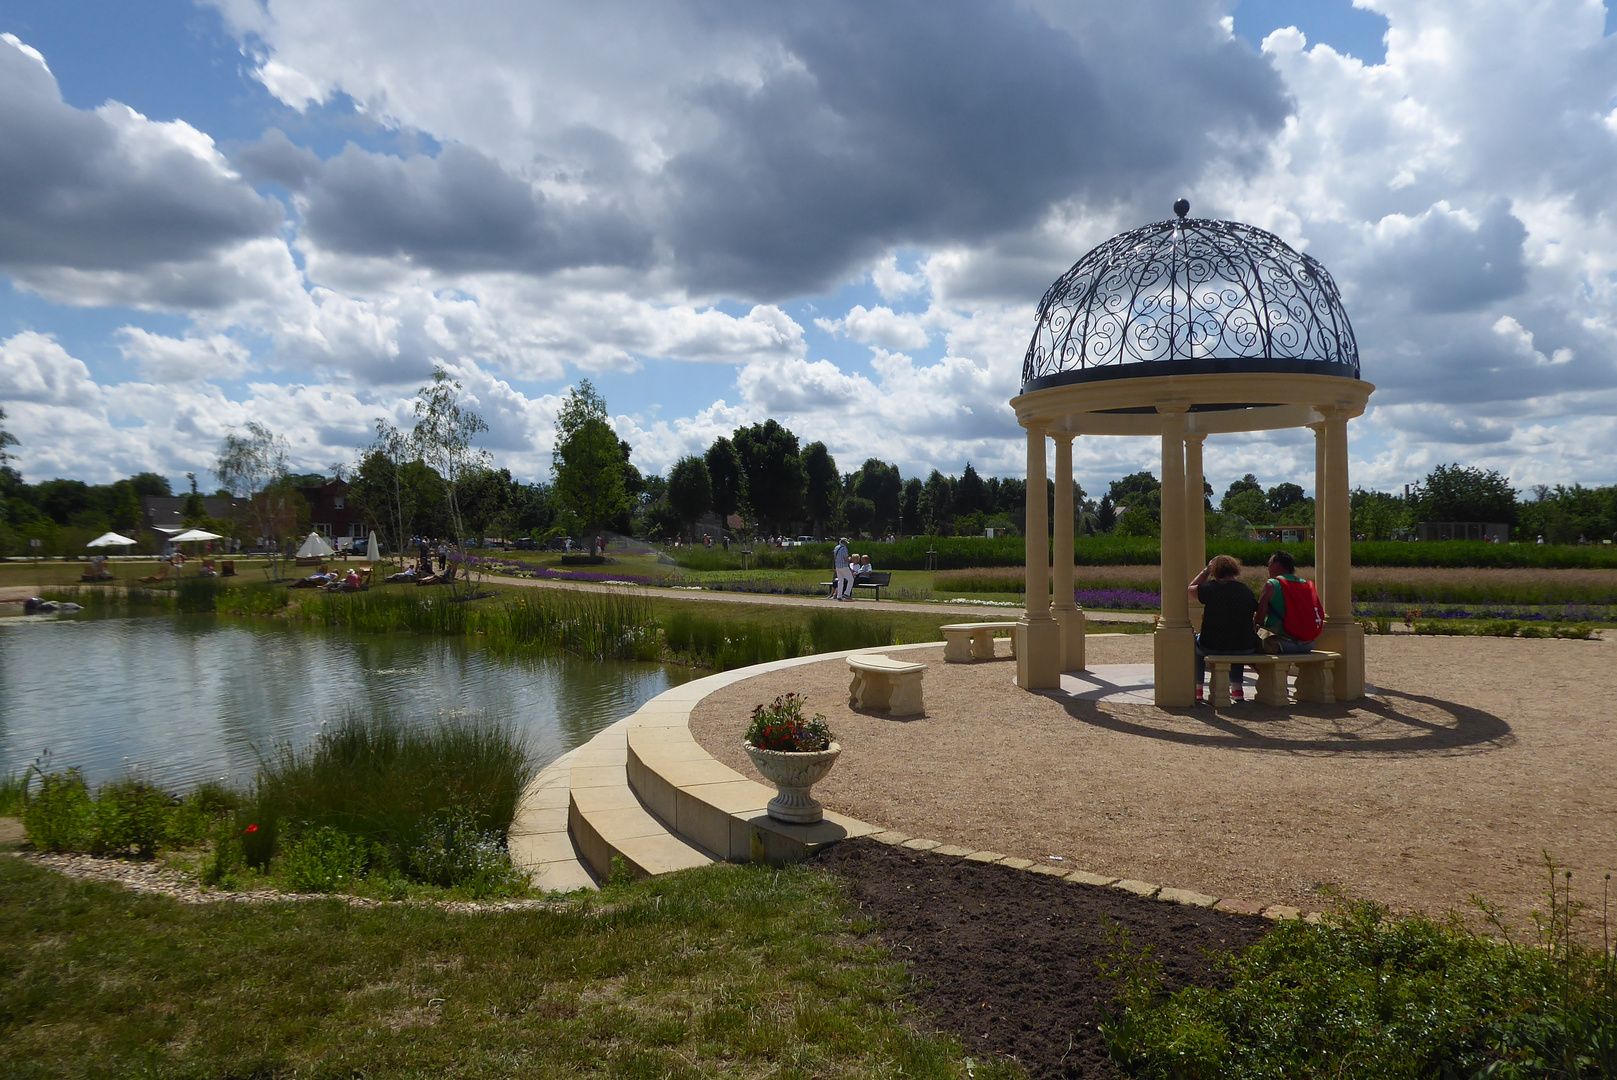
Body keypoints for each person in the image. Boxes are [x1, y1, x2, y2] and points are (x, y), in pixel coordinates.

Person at [1188, 554, 1259, 703]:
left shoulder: (1209, 588)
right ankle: (1237, 689)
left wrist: (1206, 571)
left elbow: (1190, 589)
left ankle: (1198, 687)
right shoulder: (1246, 591)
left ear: (1216, 571)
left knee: (1195, 643)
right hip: (1244, 647)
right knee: (1237, 640)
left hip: (1212, 645)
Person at [1254, 550, 1323, 655]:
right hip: (1308, 644)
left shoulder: (1271, 584)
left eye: (1269, 564)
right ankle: (1284, 672)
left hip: (1282, 643)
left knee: (1247, 651)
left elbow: (1259, 619)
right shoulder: (1307, 585)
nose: (1268, 568)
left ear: (1277, 565)